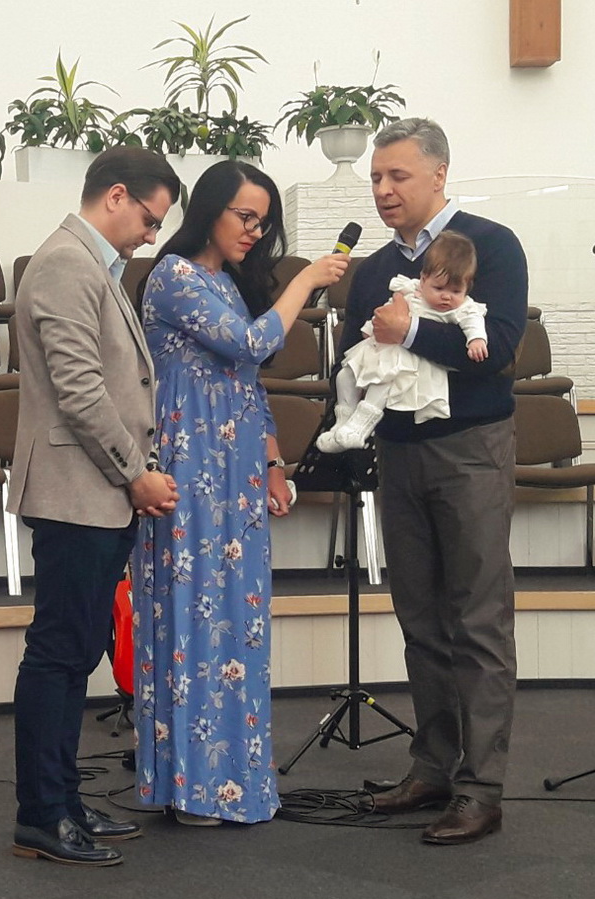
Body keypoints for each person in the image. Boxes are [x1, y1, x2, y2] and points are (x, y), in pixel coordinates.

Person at [131, 160, 348, 826]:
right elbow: (251, 343)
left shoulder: (225, 281)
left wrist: (275, 461)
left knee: (237, 618)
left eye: (263, 222)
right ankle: (192, 785)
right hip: (190, 466)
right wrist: (305, 279)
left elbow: (247, 383)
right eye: (245, 216)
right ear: (209, 212)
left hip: (237, 471)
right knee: (193, 615)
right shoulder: (173, 277)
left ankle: (231, 779)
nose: (255, 231)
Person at [338, 118, 528, 844]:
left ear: (439, 173)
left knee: (476, 619)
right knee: (419, 619)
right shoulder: (373, 268)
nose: (383, 190)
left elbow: (498, 347)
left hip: (471, 449)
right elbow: (358, 351)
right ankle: (434, 767)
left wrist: (411, 332)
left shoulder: (492, 245)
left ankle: (481, 788)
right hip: (400, 451)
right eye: (376, 178)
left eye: (398, 176)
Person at [8, 147, 182, 867]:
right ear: (116, 195)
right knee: (59, 655)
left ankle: (64, 803)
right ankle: (42, 816)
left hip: (94, 492)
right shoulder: (65, 264)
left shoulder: (91, 266)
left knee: (75, 652)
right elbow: (80, 391)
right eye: (149, 218)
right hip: (77, 491)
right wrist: (137, 474)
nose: (150, 235)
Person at [316, 230, 487, 452]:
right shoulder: (410, 290)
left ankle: (360, 428)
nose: (446, 296)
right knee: (344, 375)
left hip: (410, 361)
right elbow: (386, 311)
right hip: (382, 347)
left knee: (383, 379)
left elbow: (473, 320)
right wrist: (370, 330)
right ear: (424, 279)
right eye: (438, 288)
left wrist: (476, 339)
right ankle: (343, 423)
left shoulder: (462, 307)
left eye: (456, 291)